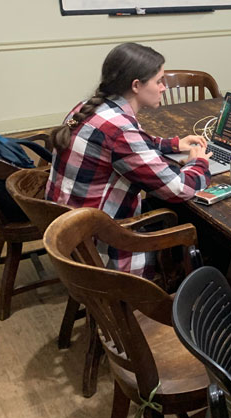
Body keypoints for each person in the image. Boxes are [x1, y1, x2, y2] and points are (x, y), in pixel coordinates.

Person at [47, 42, 212, 277]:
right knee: (203, 225)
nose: (164, 88)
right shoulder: (121, 130)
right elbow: (180, 188)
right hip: (104, 248)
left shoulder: (87, 109)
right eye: (159, 81)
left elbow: (127, 147)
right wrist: (200, 162)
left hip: (70, 237)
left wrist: (172, 144)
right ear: (136, 85)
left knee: (165, 205)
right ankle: (195, 287)